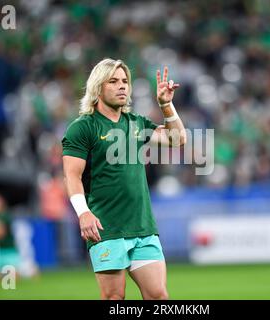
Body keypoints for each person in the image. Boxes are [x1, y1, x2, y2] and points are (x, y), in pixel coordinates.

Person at [62, 58, 186, 300]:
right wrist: (83, 212)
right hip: (106, 228)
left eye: (125, 81)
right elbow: (71, 175)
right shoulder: (82, 128)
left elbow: (177, 139)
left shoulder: (136, 123)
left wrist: (166, 105)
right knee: (114, 298)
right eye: (113, 81)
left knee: (158, 296)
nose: (122, 86)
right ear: (98, 87)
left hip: (142, 227)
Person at [0, 192, 20, 280]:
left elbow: (0, 235)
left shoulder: (4, 216)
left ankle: (29, 270)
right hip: (0, 251)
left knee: (12, 278)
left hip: (9, 251)